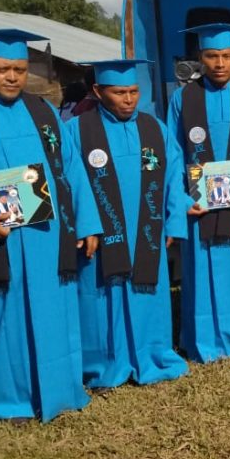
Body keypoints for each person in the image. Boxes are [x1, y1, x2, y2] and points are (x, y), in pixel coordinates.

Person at [0, 28, 101, 423]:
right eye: (2, 68)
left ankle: (60, 388)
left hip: (47, 237)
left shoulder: (44, 111)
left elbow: (72, 168)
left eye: (20, 69)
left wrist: (88, 223)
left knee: (53, 310)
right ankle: (1, 396)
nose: (12, 76)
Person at [66, 59, 189, 389]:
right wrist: (86, 223)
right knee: (102, 296)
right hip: (103, 234)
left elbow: (176, 176)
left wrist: (174, 221)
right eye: (119, 92)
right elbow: (70, 182)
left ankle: (151, 353)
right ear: (97, 91)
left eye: (134, 91)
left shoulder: (155, 128)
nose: (128, 99)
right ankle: (105, 362)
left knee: (146, 293)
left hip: (147, 229)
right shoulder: (76, 131)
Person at [167, 23, 230, 363]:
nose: (220, 63)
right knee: (203, 274)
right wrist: (182, 199)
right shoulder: (183, 98)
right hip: (201, 208)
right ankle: (205, 341)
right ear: (200, 58)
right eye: (212, 56)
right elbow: (173, 154)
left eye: (227, 56)